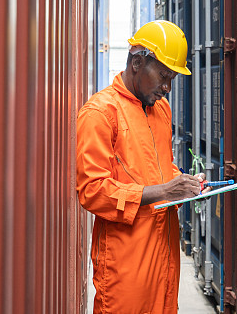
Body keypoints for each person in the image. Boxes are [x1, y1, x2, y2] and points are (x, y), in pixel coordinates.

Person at [76, 20, 208, 314]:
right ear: (137, 62)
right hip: (126, 267)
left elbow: (161, 168)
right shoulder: (100, 113)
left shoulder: (160, 109)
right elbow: (92, 191)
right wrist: (164, 190)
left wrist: (184, 184)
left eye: (172, 78)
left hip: (164, 258)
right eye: (163, 76)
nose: (167, 87)